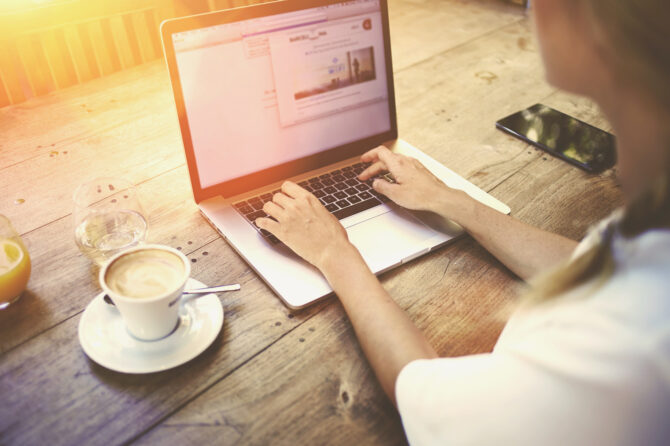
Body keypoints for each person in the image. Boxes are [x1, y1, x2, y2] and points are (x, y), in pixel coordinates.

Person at [256, 0, 670, 444]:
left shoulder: (626, 354)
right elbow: (595, 269)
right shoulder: (653, 229)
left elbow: (422, 389)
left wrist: (333, 253)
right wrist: (453, 202)